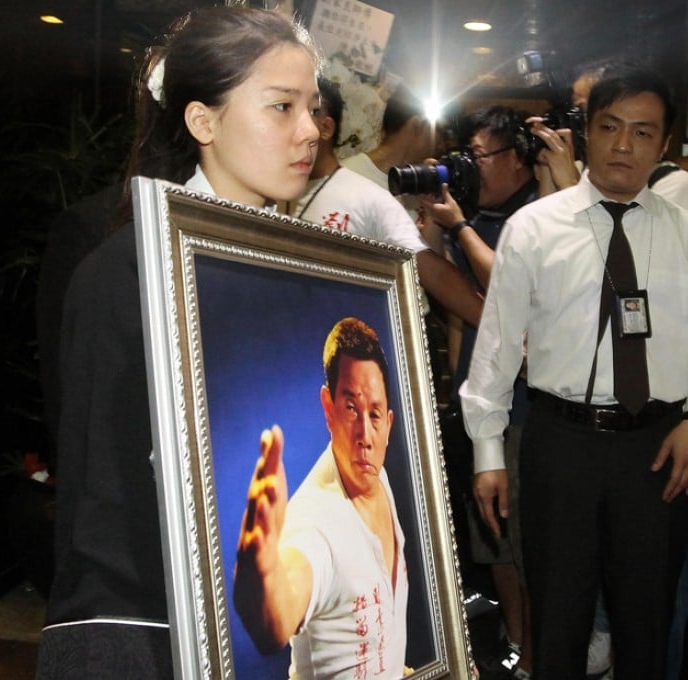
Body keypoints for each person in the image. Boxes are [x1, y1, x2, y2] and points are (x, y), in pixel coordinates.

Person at [35, 7, 321, 678]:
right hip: (156, 629)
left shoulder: (311, 269)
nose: (309, 130)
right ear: (203, 121)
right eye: (282, 107)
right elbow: (102, 499)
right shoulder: (126, 270)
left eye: (314, 107)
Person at [460, 66, 688, 679]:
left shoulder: (684, 232)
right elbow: (499, 344)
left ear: (663, 146)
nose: (623, 145)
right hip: (560, 445)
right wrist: (488, 452)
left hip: (657, 450)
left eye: (643, 133)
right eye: (610, 127)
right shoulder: (534, 228)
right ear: (586, 133)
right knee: (558, 623)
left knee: (647, 624)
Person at [420, 105, 539, 679]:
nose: (469, 168)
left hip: (525, 411)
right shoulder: (475, 218)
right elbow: (460, 312)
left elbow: (515, 291)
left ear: (517, 157)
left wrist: (461, 229)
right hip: (480, 407)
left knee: (528, 545)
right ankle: (517, 649)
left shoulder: (539, 214)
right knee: (496, 547)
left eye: (481, 155)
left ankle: (542, 655)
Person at [233, 317, 407, 679]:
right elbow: (278, 619)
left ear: (389, 423)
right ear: (328, 408)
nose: (364, 434)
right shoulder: (316, 520)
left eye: (374, 415)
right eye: (350, 408)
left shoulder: (378, 476)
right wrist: (261, 574)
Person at [296, 76, 484, 328]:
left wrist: (503, 333)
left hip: (390, 332)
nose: (440, 144)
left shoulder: (367, 192)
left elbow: (434, 271)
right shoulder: (279, 191)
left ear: (326, 127)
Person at [342, 84, 431, 222]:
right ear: (418, 125)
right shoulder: (351, 177)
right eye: (436, 132)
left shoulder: (411, 193)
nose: (439, 144)